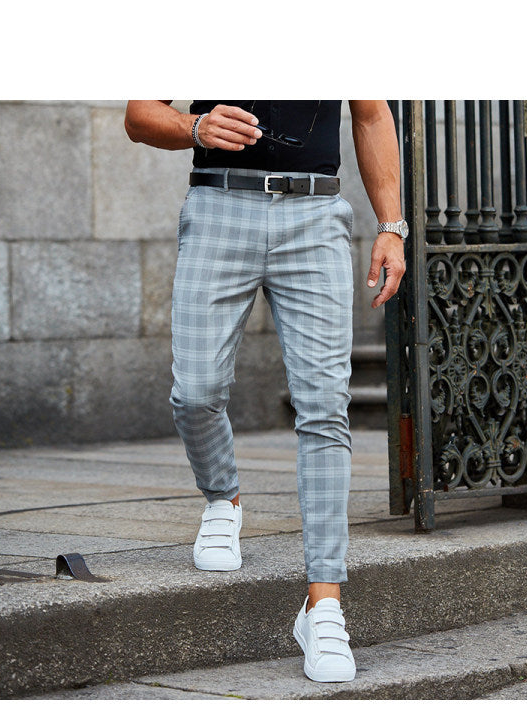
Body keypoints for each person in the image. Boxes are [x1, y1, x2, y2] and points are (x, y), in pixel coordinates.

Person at [124, 100, 407, 682]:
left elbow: (373, 114)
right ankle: (222, 498)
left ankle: (323, 603)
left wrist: (391, 227)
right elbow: (137, 114)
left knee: (326, 408)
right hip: (217, 206)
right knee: (195, 391)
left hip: (314, 213)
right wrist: (194, 128)